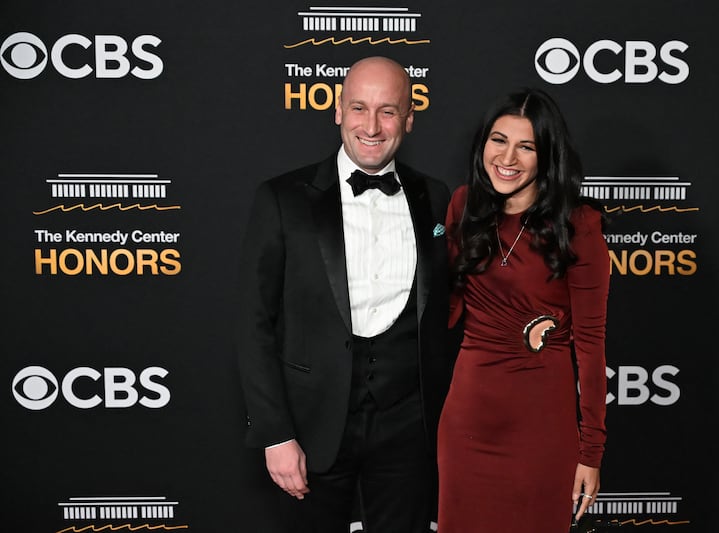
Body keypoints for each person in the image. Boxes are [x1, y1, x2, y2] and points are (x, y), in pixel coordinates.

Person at [235, 56, 452, 532]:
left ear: (410, 118)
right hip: (312, 427)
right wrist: (275, 434)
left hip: (409, 430)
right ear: (337, 111)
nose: (371, 126)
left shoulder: (436, 198)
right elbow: (254, 324)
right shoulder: (282, 199)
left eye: (388, 110)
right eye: (359, 108)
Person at [437, 88, 609, 532]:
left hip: (541, 427)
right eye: (499, 140)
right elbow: (446, 311)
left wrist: (591, 452)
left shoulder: (580, 227)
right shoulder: (464, 206)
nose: (507, 157)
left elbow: (590, 347)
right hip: (467, 422)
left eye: (526, 146)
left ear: (546, 156)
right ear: (483, 145)